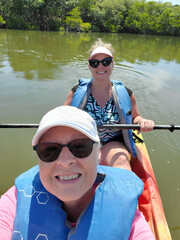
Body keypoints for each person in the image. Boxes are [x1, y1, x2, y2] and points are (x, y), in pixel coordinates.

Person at [0, 106, 155, 239]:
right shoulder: (13, 201)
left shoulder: (127, 217)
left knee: (121, 161)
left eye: (81, 147)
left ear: (98, 155)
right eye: (49, 150)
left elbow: (135, 115)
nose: (65, 161)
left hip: (114, 141)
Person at [64, 38, 154, 171]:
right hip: (84, 141)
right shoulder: (76, 92)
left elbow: (135, 118)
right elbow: (62, 116)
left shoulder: (127, 94)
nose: (100, 66)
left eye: (106, 62)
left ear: (112, 65)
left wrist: (143, 121)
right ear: (89, 66)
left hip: (113, 142)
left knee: (121, 162)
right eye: (95, 63)